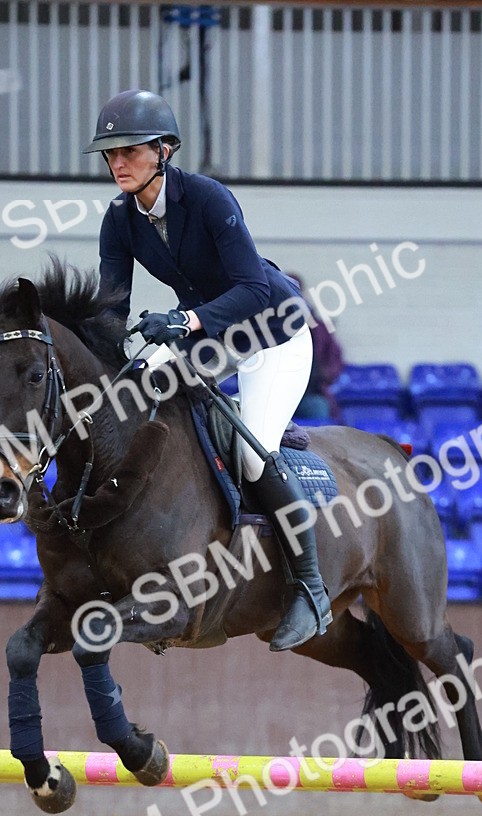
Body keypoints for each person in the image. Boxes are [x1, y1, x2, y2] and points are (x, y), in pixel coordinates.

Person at [84, 89, 332, 652]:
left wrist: (187, 318)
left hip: (274, 332)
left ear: (164, 151)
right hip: (213, 335)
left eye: (128, 151)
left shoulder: (210, 198)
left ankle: (310, 588)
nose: (116, 163)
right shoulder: (119, 221)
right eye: (110, 154)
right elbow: (110, 310)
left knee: (251, 452)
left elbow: (252, 288)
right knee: (138, 387)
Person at [288, 273, 345, 424]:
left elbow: (335, 360)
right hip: (279, 393)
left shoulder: (320, 328)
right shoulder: (266, 326)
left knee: (319, 412)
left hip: (311, 394)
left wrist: (322, 376)